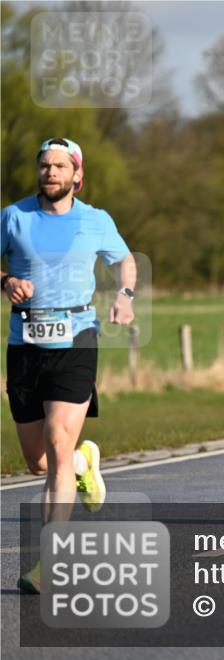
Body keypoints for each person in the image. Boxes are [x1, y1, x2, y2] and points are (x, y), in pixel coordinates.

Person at [2, 137, 136, 593]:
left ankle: (49, 563)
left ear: (77, 175)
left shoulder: (96, 221)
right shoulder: (14, 217)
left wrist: (125, 295)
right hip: (25, 344)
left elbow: (126, 262)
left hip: (77, 338)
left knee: (58, 444)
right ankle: (85, 462)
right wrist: (6, 280)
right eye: (44, 165)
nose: (51, 173)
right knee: (38, 462)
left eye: (60, 166)